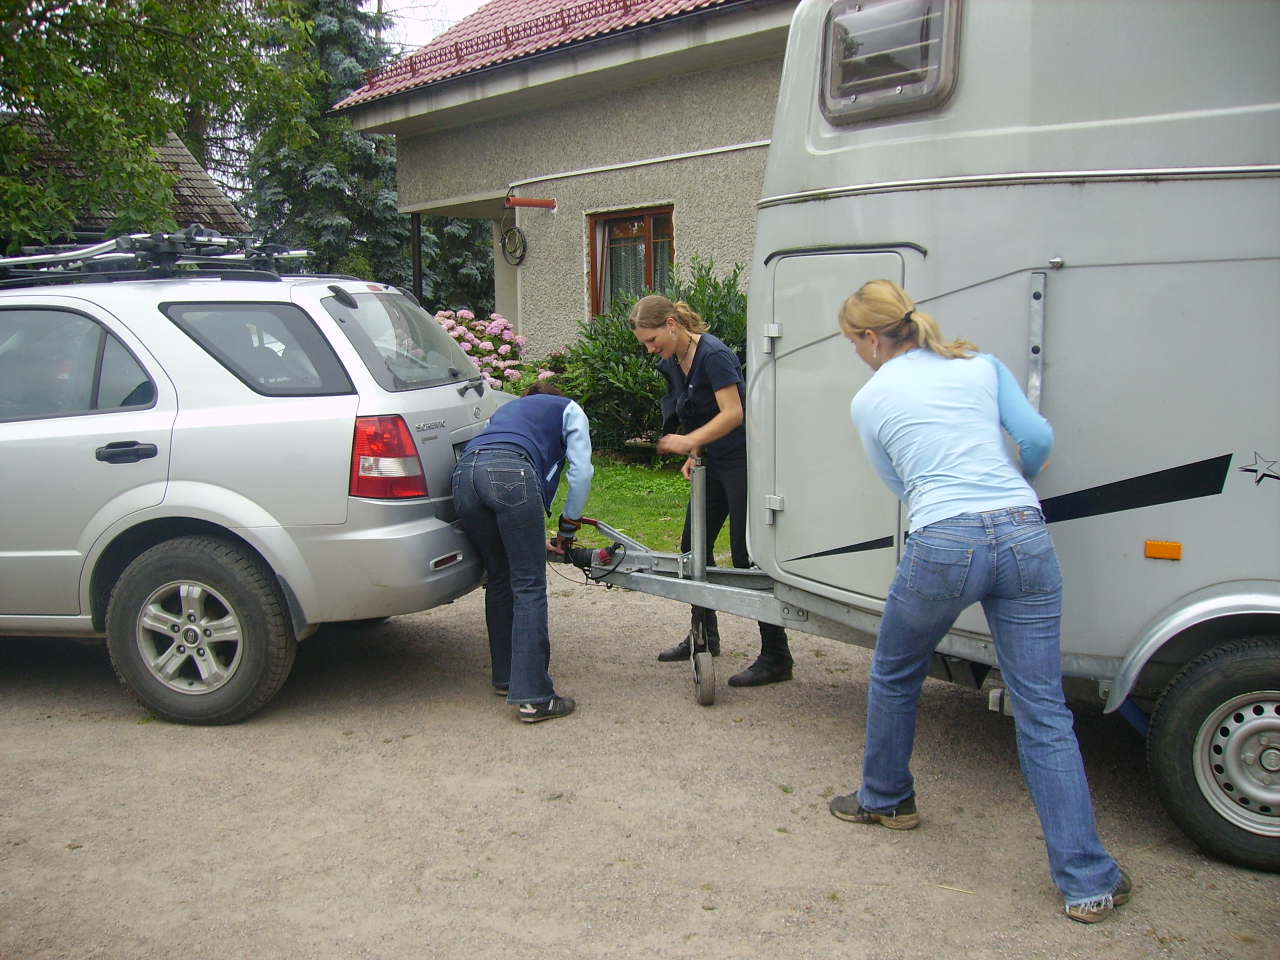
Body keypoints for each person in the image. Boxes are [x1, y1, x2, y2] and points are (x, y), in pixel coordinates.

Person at [830, 279, 1131, 923]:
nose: (856, 352)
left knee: (895, 671)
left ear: (872, 337)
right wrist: (1010, 484)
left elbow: (899, 481)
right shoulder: (981, 365)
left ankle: (886, 799)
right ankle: (1087, 880)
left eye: (853, 341)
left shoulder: (869, 399)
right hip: (1024, 531)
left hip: (946, 538)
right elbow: (1038, 439)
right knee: (1043, 707)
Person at [630, 295, 793, 687]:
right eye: (646, 344)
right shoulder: (673, 362)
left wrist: (688, 442)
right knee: (693, 548)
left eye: (653, 340)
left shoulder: (714, 355)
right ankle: (704, 635)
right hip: (712, 462)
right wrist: (697, 448)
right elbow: (694, 411)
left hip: (741, 462)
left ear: (672, 324)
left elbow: (733, 413)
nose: (651, 350)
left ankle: (776, 655)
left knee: (744, 554)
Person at [450, 381, 593, 723]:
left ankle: (506, 677)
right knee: (529, 585)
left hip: (464, 477)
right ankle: (534, 698)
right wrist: (568, 528)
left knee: (500, 578)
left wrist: (527, 537)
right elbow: (582, 472)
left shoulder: (506, 410)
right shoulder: (568, 408)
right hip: (510, 473)